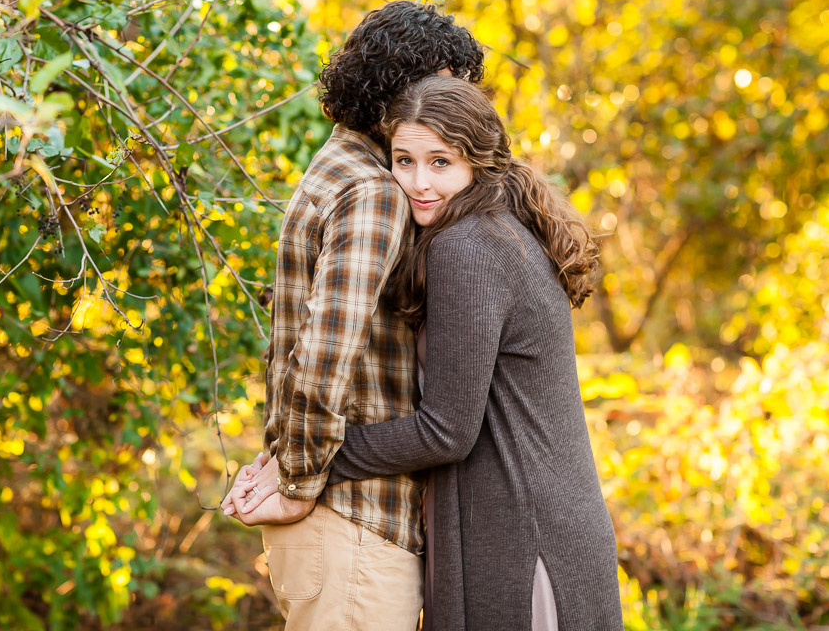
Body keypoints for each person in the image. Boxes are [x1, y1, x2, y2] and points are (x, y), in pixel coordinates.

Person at [233, 75, 623, 630]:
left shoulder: (467, 248)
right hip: (534, 519)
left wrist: (309, 462)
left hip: (522, 535)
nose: (418, 183)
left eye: (441, 162)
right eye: (404, 159)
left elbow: (446, 429)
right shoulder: (497, 230)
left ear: (479, 162)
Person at [222, 3, 485, 629]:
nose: (451, 103)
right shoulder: (373, 190)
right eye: (441, 85)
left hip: (342, 529)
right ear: (400, 89)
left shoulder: (339, 166)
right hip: (352, 527)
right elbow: (321, 353)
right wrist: (301, 481)